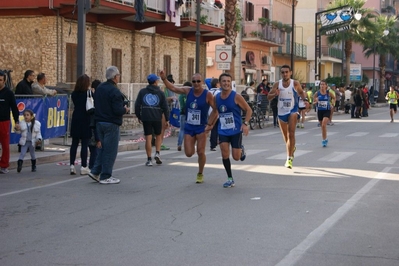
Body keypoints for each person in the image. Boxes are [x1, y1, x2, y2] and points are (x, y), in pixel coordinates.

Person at [160, 71, 214, 183]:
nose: (196, 83)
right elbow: (174, 88)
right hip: (189, 126)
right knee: (189, 153)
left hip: (201, 127)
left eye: (198, 81)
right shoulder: (188, 91)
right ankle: (193, 145)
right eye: (194, 81)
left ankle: (200, 173)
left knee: (200, 152)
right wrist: (164, 79)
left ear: (202, 82)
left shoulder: (207, 94)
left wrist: (210, 124)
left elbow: (216, 109)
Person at [206, 73, 252, 188]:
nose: (226, 83)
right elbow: (215, 112)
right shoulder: (217, 97)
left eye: (228, 81)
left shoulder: (236, 96)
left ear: (230, 83)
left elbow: (248, 110)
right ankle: (230, 178)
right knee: (224, 153)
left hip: (236, 130)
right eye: (224, 81)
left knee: (236, 157)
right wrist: (209, 125)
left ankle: (241, 149)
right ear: (220, 83)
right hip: (223, 130)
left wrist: (245, 124)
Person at [88, 66, 129, 184]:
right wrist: (124, 110)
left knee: (102, 149)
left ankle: (95, 171)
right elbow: (117, 110)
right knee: (110, 150)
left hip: (99, 122)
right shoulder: (114, 91)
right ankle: (106, 175)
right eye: (119, 75)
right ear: (115, 77)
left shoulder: (100, 88)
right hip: (111, 123)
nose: (119, 77)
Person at [267, 65, 306, 169]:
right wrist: (275, 94)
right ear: (281, 74)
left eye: (286, 72)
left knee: (291, 133)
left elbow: (301, 93)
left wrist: (306, 101)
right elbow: (268, 97)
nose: (285, 74)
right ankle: (291, 148)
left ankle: (289, 159)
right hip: (281, 112)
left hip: (292, 110)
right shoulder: (277, 84)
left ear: (290, 73)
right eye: (283, 72)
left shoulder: (295, 83)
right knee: (286, 137)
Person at [134, 74, 169, 166]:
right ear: (155, 82)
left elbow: (137, 105)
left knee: (148, 138)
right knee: (158, 135)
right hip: (157, 116)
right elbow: (165, 107)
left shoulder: (142, 92)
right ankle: (157, 153)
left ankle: (149, 159)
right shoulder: (160, 93)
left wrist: (139, 116)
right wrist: (167, 119)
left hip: (146, 116)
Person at [69, 74, 92, 175]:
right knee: (84, 144)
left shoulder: (74, 94)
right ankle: (83, 166)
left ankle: (72, 165)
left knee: (74, 143)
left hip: (76, 118)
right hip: (86, 118)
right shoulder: (88, 93)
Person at [0, 71, 20, 174]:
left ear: (4, 81)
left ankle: (4, 165)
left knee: (5, 145)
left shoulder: (8, 93)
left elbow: (14, 108)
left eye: (0, 80)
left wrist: (16, 121)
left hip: (4, 122)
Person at [313, 80, 336, 147]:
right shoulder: (317, 93)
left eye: (323, 84)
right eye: (321, 84)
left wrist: (332, 104)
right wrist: (315, 101)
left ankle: (324, 140)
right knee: (322, 126)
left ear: (326, 86)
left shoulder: (328, 93)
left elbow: (334, 98)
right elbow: (314, 100)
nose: (322, 86)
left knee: (323, 125)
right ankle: (325, 138)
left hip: (327, 110)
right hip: (320, 110)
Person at [88, 79, 101, 169]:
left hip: (89, 124)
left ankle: (92, 165)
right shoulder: (95, 97)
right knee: (94, 148)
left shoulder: (93, 96)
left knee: (93, 148)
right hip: (93, 124)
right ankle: (93, 167)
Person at [177, 82, 191, 151]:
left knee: (182, 129)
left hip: (182, 113)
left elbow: (181, 104)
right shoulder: (191, 94)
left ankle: (179, 144)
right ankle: (189, 145)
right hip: (190, 113)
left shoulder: (181, 95)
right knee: (190, 130)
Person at [208, 78, 221, 151]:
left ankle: (212, 144)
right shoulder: (218, 92)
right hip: (216, 112)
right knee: (217, 128)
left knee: (212, 128)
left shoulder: (208, 91)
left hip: (209, 111)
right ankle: (218, 141)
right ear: (216, 84)